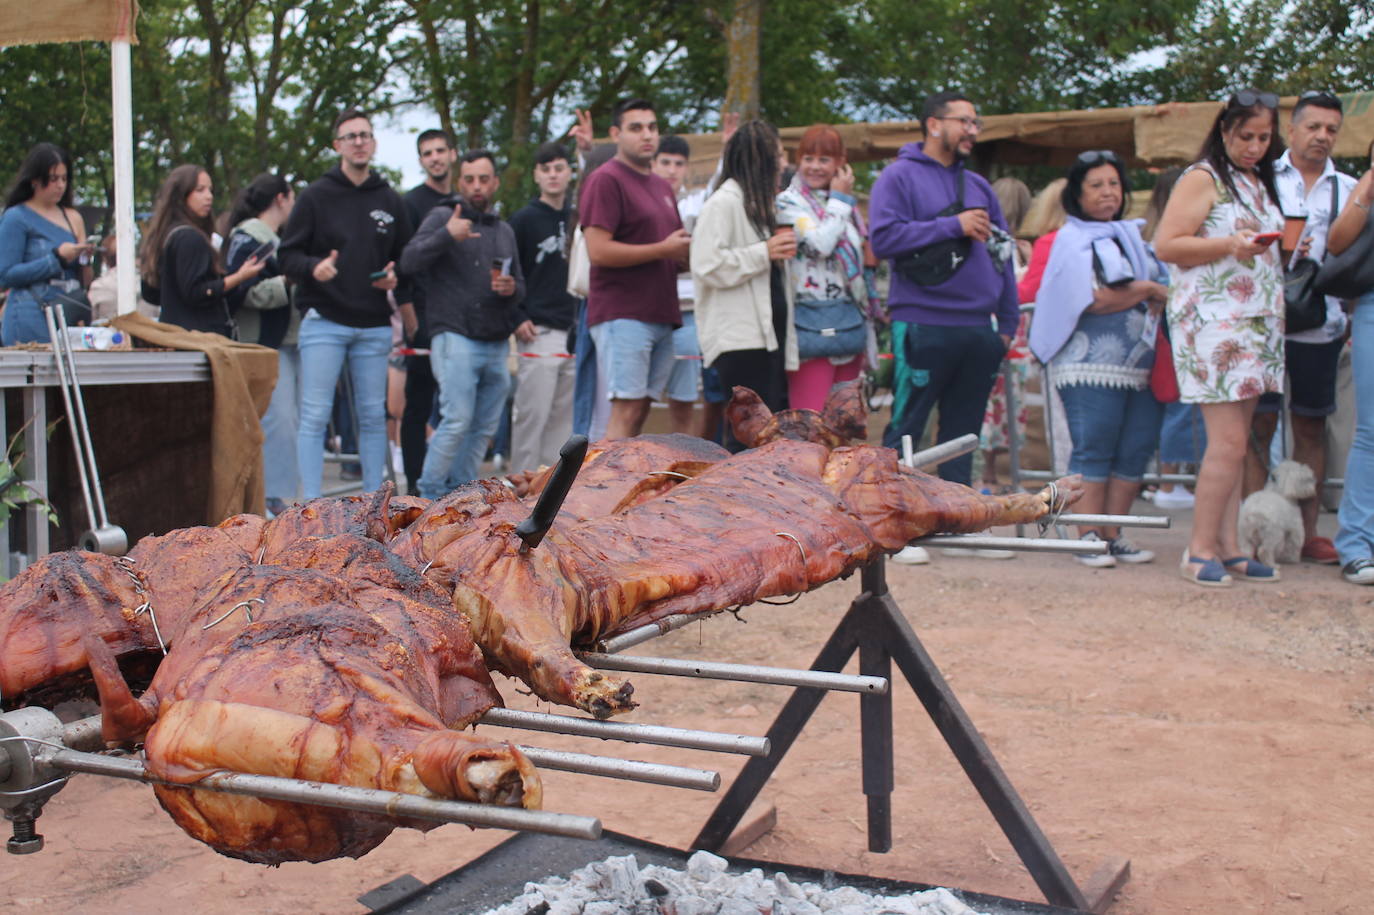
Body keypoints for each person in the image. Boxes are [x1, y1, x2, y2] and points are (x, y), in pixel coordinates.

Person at [1154, 89, 1286, 587]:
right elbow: (1167, 243)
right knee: (1227, 441)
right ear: (1225, 130)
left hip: (1255, 322)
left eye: (1264, 137)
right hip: (1213, 323)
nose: (1254, 146)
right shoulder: (1203, 176)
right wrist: (1230, 244)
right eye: (1246, 136)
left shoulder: (1254, 180)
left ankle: (1229, 546)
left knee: (1236, 443)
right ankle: (1199, 548)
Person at [870, 90, 1019, 487]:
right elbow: (882, 240)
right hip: (921, 324)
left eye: (976, 123)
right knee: (905, 428)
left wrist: (1007, 324)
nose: (972, 131)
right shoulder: (897, 176)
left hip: (979, 330)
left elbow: (1002, 254)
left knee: (964, 434)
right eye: (964, 122)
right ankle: (892, 524)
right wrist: (954, 225)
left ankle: (958, 522)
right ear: (934, 125)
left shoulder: (979, 187)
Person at [1029, 151, 1167, 567]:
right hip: (1087, 362)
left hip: (1138, 361)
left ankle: (1113, 533)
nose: (1108, 192)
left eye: (1114, 183)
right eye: (1096, 185)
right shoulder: (1072, 242)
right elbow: (1094, 299)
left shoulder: (1131, 238)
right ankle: (1084, 532)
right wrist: (1147, 289)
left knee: (1134, 448)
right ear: (1077, 194)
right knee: (1093, 446)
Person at [279, 107, 416, 500]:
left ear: (374, 143)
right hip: (325, 320)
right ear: (337, 144)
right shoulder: (315, 196)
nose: (359, 142)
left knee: (375, 416)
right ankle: (309, 505)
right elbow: (286, 256)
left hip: (373, 323)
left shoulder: (389, 199)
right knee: (315, 415)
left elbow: (405, 260)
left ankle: (373, 503)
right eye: (351, 136)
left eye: (365, 135)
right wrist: (313, 267)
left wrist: (396, 276)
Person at [1245, 91, 1356, 565]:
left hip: (1320, 323)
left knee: (1311, 424)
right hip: (1263, 320)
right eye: (1314, 127)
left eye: (1331, 129)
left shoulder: (1350, 188)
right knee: (1257, 424)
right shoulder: (1260, 176)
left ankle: (1307, 534)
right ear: (1292, 130)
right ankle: (1249, 530)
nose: (1322, 137)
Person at [401, 149, 525, 497]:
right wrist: (446, 235)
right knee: (455, 421)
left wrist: (510, 287)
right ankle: (426, 496)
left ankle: (463, 495)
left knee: (483, 427)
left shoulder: (504, 229)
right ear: (459, 183)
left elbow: (520, 287)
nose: (477, 186)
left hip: (496, 339)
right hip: (454, 335)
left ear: (495, 183)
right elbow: (407, 261)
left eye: (484, 179)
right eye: (469, 179)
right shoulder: (444, 215)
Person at [579, 97, 691, 440]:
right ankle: (601, 491)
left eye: (652, 127)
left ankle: (623, 488)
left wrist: (686, 253)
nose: (647, 135)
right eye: (636, 128)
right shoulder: (605, 179)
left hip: (661, 312)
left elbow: (673, 248)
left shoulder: (660, 185)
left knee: (641, 410)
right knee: (625, 411)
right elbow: (597, 251)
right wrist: (664, 249)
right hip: (622, 313)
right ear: (615, 133)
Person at [691, 119, 797, 446]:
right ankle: (738, 497)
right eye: (777, 155)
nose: (784, 163)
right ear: (760, 158)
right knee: (747, 436)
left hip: (766, 337)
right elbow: (707, 264)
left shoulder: (759, 205)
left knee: (767, 435)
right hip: (740, 339)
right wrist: (763, 252)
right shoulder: (723, 203)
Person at [775, 124, 875, 412]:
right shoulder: (787, 202)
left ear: (840, 164)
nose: (815, 167)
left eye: (824, 160)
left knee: (844, 420)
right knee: (811, 421)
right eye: (808, 158)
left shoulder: (847, 207)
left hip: (848, 316)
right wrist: (840, 201)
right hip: (809, 319)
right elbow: (821, 244)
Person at [223, 173, 298, 514]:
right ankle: (268, 501)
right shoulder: (251, 238)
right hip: (261, 345)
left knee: (280, 419)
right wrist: (288, 282)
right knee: (276, 419)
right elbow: (240, 292)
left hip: (273, 343)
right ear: (282, 198)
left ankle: (270, 499)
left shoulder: (266, 238)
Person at [509, 141, 577, 472]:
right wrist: (516, 316)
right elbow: (507, 273)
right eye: (546, 169)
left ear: (569, 172)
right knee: (531, 416)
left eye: (559, 168)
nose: (553, 175)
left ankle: (550, 492)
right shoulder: (522, 220)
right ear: (537, 175)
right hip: (538, 330)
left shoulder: (579, 217)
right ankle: (519, 489)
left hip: (574, 329)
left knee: (563, 423)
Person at [140, 165, 265, 337]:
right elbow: (196, 292)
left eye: (210, 190)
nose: (209, 196)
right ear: (181, 195)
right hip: (199, 339)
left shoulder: (163, 236)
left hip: (174, 334)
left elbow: (151, 292)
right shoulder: (189, 238)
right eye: (200, 190)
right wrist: (240, 276)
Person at [399, 128, 457, 493]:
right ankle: (414, 490)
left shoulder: (465, 199)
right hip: (422, 314)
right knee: (418, 402)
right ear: (420, 160)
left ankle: (452, 485)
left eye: (440, 150)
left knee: (457, 409)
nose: (435, 157)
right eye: (427, 152)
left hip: (459, 318)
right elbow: (401, 258)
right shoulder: (410, 203)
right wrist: (407, 310)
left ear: (452, 154)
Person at [1326, 138, 1374, 585]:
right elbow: (1337, 244)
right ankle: (1356, 544)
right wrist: (1370, 181)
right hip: (1372, 310)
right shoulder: (1366, 186)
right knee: (1370, 431)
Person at [0, 143, 92, 344]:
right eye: (53, 179)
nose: (60, 185)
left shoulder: (72, 217)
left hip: (68, 312)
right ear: (34, 180)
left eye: (64, 179)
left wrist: (84, 258)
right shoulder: (16, 218)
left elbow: (85, 278)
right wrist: (56, 259)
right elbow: (6, 275)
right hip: (30, 314)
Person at [978, 176, 1034, 490]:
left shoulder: (1022, 248)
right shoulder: (999, 247)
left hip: (1016, 338)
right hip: (1001, 332)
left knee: (1011, 407)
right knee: (995, 407)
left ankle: (1003, 473)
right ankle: (989, 473)